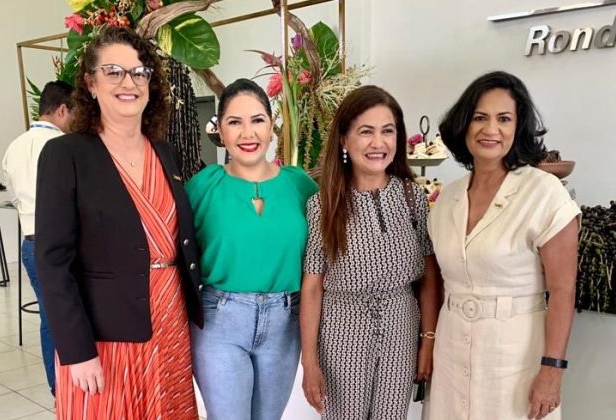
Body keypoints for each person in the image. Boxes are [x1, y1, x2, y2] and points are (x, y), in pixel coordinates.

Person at [35, 26, 202, 419]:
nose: (129, 83)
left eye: (139, 72)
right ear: (91, 83)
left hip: (169, 320)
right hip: (104, 335)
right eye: (114, 72)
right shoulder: (66, 154)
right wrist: (77, 351)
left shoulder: (165, 152)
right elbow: (53, 263)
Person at [422, 71, 580, 420]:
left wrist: (552, 370)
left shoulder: (544, 193)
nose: (490, 129)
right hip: (451, 353)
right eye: (480, 117)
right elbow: (437, 280)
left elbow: (563, 290)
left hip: (515, 360)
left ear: (518, 127)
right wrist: (429, 344)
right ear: (464, 124)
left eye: (504, 119)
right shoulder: (447, 199)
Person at [300, 85, 441, 419]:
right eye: (366, 132)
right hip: (341, 331)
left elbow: (428, 276)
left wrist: (428, 341)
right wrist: (310, 361)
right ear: (344, 140)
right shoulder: (323, 205)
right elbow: (312, 287)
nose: (378, 143)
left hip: (401, 328)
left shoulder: (412, 198)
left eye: (387, 131)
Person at [185, 78, 318, 420]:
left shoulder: (300, 185)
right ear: (220, 130)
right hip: (219, 320)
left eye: (257, 120)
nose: (248, 133)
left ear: (272, 126)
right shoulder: (202, 186)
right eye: (235, 122)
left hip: (284, 322)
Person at [2, 80, 73, 396]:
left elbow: (13, 196)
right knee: (75, 315)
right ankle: (78, 391)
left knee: (50, 316)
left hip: (31, 243)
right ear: (62, 110)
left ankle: (58, 391)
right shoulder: (64, 147)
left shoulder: (14, 147)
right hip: (64, 243)